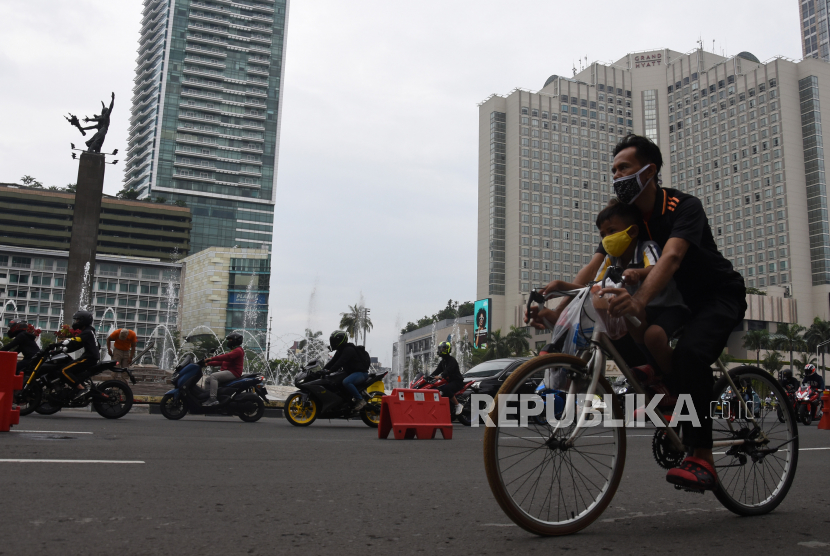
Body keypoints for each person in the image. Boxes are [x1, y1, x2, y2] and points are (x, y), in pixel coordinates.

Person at [532, 134, 747, 492]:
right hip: (669, 303)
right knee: (619, 327)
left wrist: (639, 300)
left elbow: (672, 258)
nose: (617, 176)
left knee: (692, 355)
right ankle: (669, 392)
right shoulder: (624, 218)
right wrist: (558, 309)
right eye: (613, 170)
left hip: (715, 297)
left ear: (651, 170)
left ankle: (703, 458)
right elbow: (592, 270)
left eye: (625, 168)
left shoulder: (682, 206)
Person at [593, 200, 689, 394]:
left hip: (668, 307)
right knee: (628, 320)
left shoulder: (647, 247)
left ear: (633, 231)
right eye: (603, 235)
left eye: (612, 231)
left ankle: (674, 382)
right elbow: (597, 282)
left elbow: (656, 268)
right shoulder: (612, 260)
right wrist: (567, 288)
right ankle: (654, 370)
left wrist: (637, 273)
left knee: (653, 336)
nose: (607, 239)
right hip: (642, 309)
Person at [61, 310, 102, 399]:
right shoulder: (90, 331)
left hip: (88, 359)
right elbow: (81, 344)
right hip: (91, 358)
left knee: (64, 370)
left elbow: (76, 340)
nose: (76, 322)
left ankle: (81, 389)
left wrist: (64, 342)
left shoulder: (87, 332)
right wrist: (66, 349)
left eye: (77, 320)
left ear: (84, 321)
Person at [324, 330, 369, 410]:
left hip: (360, 373)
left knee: (346, 382)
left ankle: (360, 400)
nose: (333, 343)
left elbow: (340, 362)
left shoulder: (348, 350)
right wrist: (322, 370)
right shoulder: (340, 350)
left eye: (335, 341)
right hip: (350, 372)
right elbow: (333, 361)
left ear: (340, 340)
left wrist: (330, 371)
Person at [202, 333, 245, 406]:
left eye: (230, 340)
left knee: (213, 376)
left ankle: (213, 399)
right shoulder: (234, 350)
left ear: (235, 341)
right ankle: (207, 398)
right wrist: (208, 363)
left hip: (234, 373)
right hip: (229, 371)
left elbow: (226, 357)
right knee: (207, 380)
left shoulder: (238, 351)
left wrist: (211, 358)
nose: (229, 342)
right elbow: (222, 362)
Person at [430, 341, 464, 415]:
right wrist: (429, 377)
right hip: (450, 381)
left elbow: (447, 371)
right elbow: (437, 370)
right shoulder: (443, 362)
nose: (441, 350)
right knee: (439, 389)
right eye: (440, 348)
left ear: (448, 349)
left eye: (443, 348)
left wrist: (441, 376)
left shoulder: (452, 360)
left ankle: (458, 405)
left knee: (446, 389)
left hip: (457, 381)